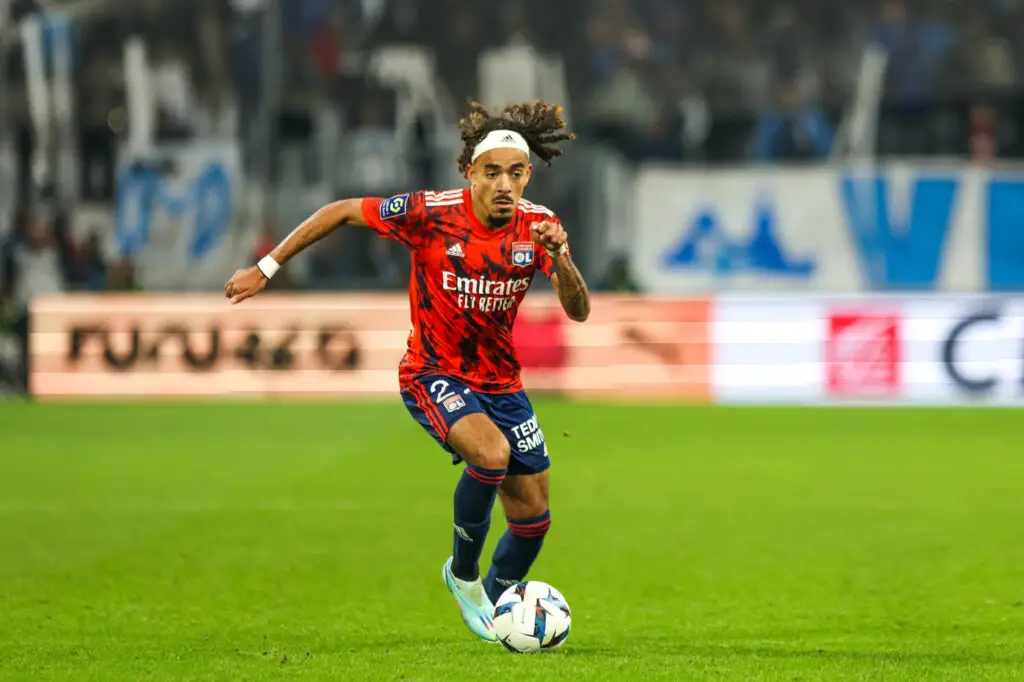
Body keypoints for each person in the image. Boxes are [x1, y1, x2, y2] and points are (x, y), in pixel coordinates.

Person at [224, 100, 592, 644]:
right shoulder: (430, 213)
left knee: (534, 516)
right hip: (432, 371)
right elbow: (342, 211)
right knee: (490, 455)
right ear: (469, 172)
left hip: (502, 383)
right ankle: (463, 575)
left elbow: (579, 311)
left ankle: (498, 611)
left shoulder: (540, 227)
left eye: (515, 173)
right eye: (492, 172)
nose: (504, 184)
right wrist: (266, 266)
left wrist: (560, 259)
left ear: (527, 175)